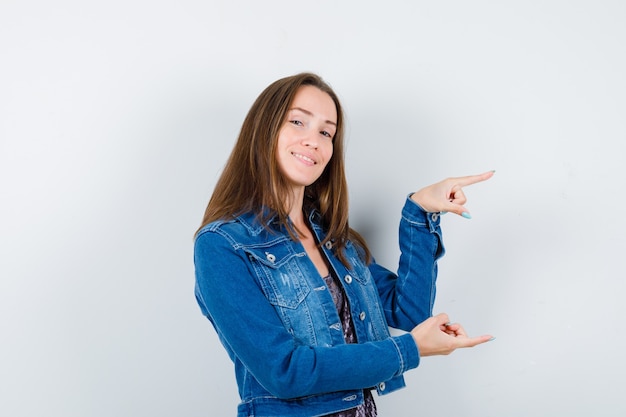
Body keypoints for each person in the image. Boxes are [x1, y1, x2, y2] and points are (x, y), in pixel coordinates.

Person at [194, 72, 494, 417]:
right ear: (265, 130)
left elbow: (409, 312)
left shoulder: (334, 239)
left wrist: (420, 213)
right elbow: (284, 371)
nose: (314, 141)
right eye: (298, 122)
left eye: (326, 132)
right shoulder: (222, 245)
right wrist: (409, 350)